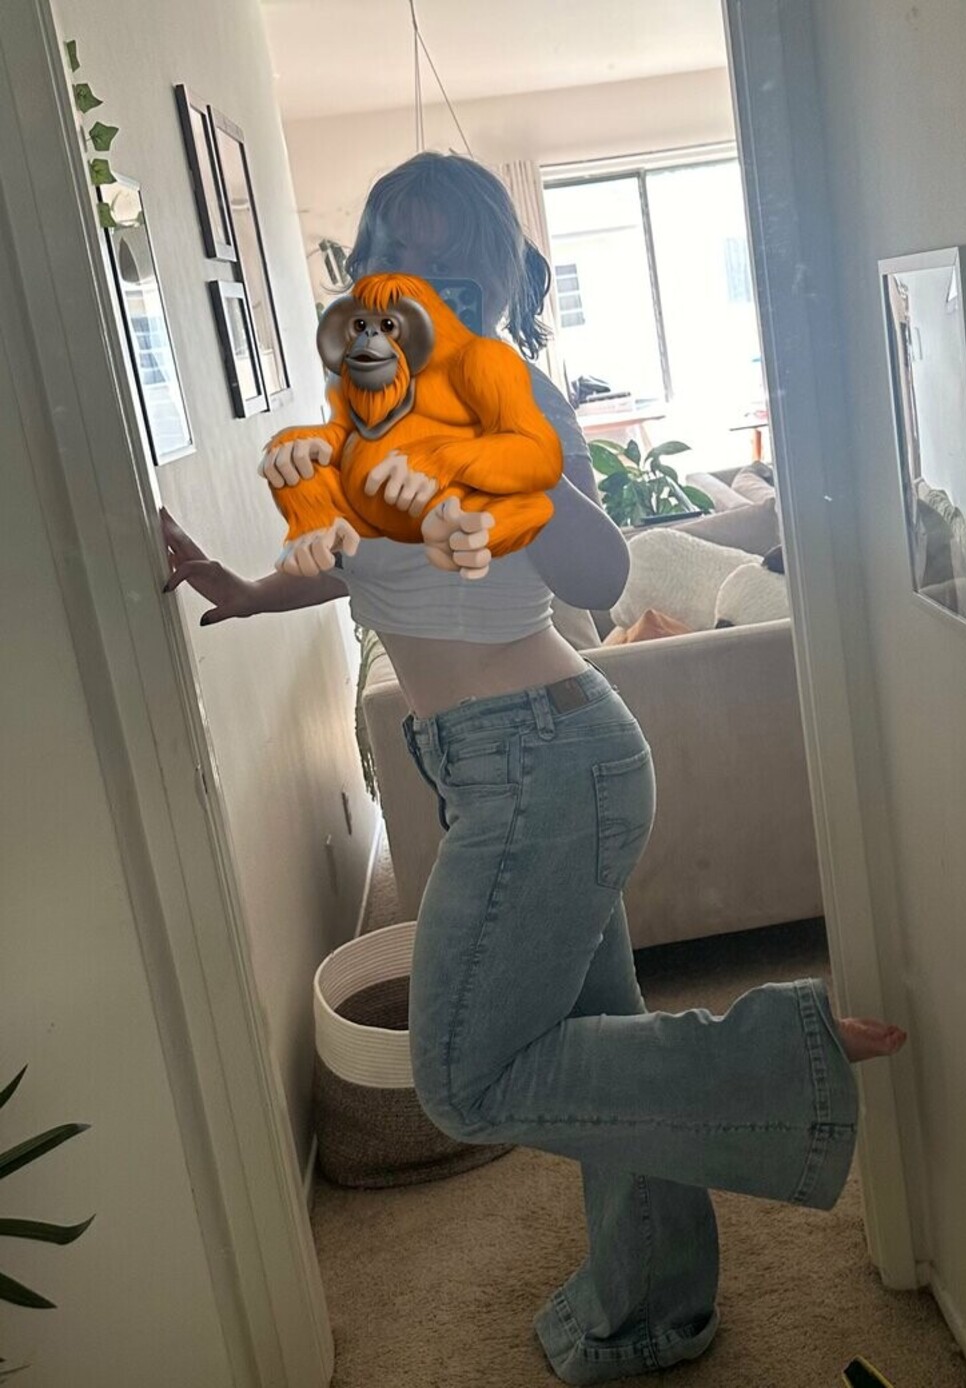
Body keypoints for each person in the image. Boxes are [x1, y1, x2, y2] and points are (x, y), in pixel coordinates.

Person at [162, 151, 906, 1385]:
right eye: (391, 252)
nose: (412, 280)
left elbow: (604, 577)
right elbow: (357, 556)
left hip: (547, 760)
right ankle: (654, 1305)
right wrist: (246, 590)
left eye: (450, 263)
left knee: (463, 1075)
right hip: (492, 767)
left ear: (494, 286)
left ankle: (788, 1051)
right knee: (595, 1042)